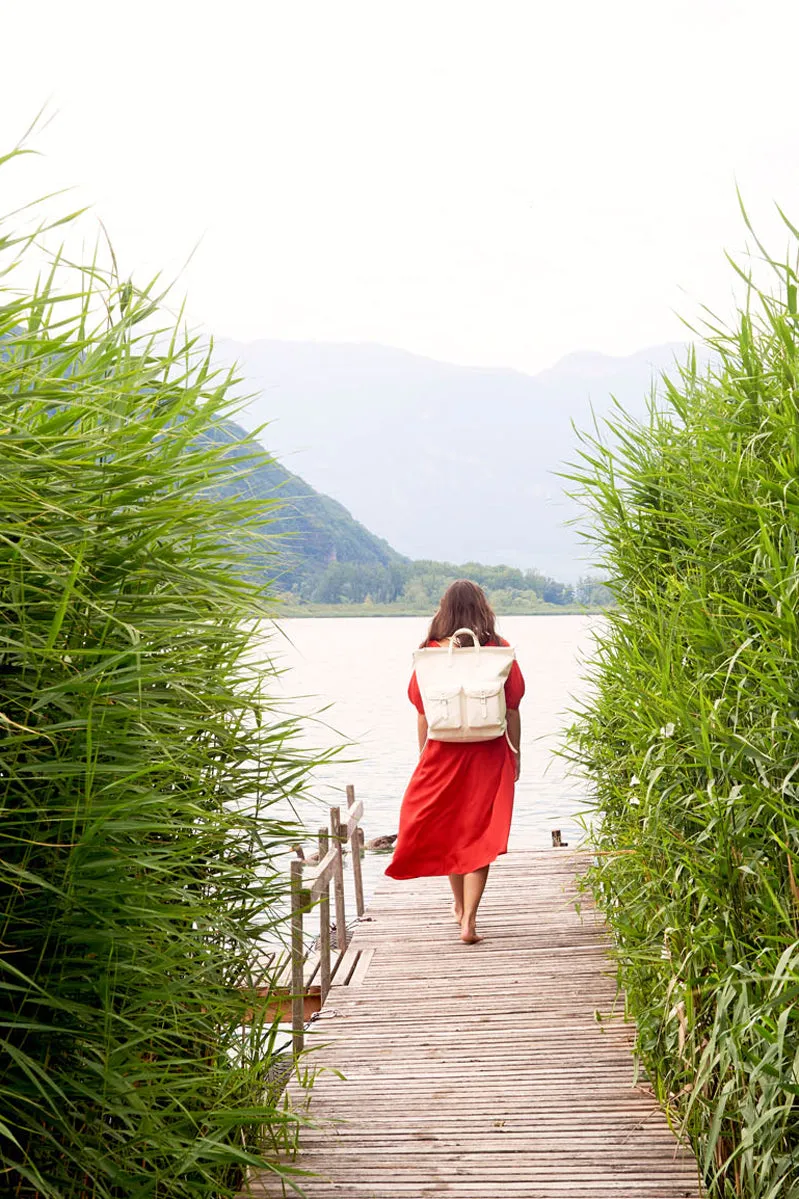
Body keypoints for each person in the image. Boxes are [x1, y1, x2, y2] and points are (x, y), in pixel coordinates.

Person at [385, 579, 525, 944]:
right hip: (490, 751)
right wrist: (516, 752)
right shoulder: (497, 650)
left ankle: (459, 909)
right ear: (483, 608)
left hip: (443, 751)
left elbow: (420, 710)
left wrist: (422, 757)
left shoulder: (430, 652)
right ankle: (470, 920)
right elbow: (512, 707)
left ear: (444, 610)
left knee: (450, 831)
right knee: (480, 834)